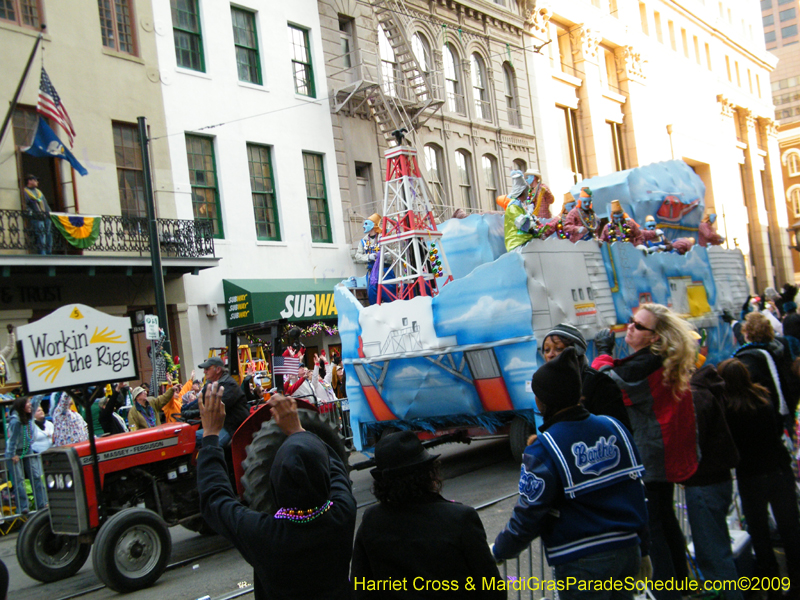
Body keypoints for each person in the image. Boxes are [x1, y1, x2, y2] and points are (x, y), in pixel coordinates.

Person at [492, 348, 650, 599]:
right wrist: (644, 547)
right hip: (628, 550)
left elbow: (528, 514)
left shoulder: (544, 448)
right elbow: (638, 493)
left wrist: (499, 551)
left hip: (582, 562)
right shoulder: (615, 428)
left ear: (543, 401)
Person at [198, 386, 356, 599]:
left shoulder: (265, 536)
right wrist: (298, 430)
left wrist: (209, 435)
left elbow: (214, 498)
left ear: (274, 482)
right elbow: (334, 469)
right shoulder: (343, 513)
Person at [593, 304, 698, 598]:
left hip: (651, 457)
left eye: (639, 326)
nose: (630, 327)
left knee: (654, 531)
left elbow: (605, 383)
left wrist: (603, 353)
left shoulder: (647, 364)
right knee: (665, 519)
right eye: (631, 321)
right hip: (662, 454)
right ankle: (682, 585)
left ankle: (668, 592)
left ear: (655, 337)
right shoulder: (659, 358)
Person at [352, 430, 504, 598]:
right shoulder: (459, 519)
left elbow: (360, 587)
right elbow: (492, 588)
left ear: (381, 482)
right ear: (429, 473)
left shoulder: (371, 521)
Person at [717, 358, 800, 595]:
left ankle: (770, 581)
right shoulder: (763, 397)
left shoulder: (728, 408)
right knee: (790, 527)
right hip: (778, 468)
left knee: (759, 531)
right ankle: (796, 577)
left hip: (750, 474)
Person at [681, 363, 742, 598]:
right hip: (716, 480)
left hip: (704, 483)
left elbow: (693, 445)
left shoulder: (696, 396)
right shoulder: (707, 389)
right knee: (717, 550)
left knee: (713, 557)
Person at [541, 323, 631, 431]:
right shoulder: (549, 387)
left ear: (577, 352)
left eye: (559, 348)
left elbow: (619, 428)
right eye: (547, 350)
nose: (550, 355)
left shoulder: (599, 382)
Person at [733, 311, 799, 432]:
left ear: (748, 333)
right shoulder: (779, 344)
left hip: (770, 408)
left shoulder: (751, 357)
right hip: (790, 398)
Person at [5, 396, 47, 513]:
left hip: (27, 448)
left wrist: (39, 390)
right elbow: (12, 440)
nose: (30, 405)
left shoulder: (29, 413)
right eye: (27, 403)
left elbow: (36, 400)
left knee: (36, 476)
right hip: (14, 451)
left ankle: (42, 503)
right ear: (21, 407)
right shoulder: (16, 421)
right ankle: (23, 507)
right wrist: (12, 454)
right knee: (19, 480)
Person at [195, 356, 249, 446]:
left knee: (212, 444)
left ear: (218, 369)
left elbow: (215, 406)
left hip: (231, 426)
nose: (204, 372)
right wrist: (184, 410)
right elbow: (200, 401)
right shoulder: (210, 384)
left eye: (207, 369)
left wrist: (193, 413)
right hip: (217, 425)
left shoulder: (229, 385)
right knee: (190, 437)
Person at [23, 174, 52, 255]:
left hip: (46, 216)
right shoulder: (25, 192)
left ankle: (49, 253)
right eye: (35, 180)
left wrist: (49, 213)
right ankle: (42, 254)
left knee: (48, 235)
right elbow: (25, 206)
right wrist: (33, 214)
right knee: (41, 236)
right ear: (29, 181)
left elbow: (45, 204)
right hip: (36, 218)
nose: (37, 182)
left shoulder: (39, 192)